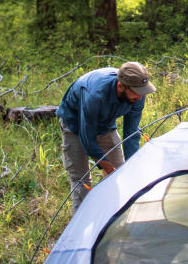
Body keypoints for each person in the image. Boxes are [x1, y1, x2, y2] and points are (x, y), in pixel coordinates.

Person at [56, 61, 156, 213]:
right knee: (81, 181)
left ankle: (112, 219)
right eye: (136, 91)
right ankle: (82, 227)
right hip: (74, 125)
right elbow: (87, 139)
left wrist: (132, 165)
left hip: (105, 124)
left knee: (120, 173)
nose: (140, 96)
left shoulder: (138, 96)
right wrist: (108, 167)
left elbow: (131, 134)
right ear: (120, 86)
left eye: (142, 91)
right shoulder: (95, 95)